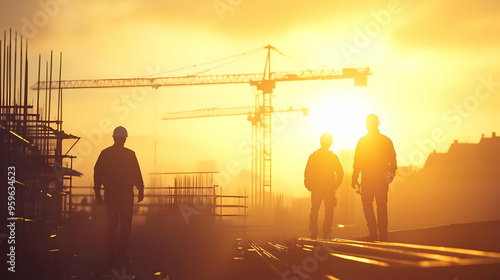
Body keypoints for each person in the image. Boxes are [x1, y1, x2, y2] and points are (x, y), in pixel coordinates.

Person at [94, 126, 145, 264]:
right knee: (125, 225)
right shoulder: (130, 155)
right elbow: (137, 173)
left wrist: (97, 193)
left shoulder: (105, 154)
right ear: (124, 139)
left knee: (112, 224)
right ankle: (120, 256)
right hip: (125, 196)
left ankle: (111, 257)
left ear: (114, 138)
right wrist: (140, 190)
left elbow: (97, 172)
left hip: (111, 195)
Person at [351, 114, 396, 242]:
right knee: (380, 206)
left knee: (368, 205)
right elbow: (392, 162)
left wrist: (355, 178)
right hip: (378, 178)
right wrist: (389, 177)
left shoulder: (363, 141)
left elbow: (358, 161)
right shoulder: (385, 141)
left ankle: (374, 234)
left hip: (370, 178)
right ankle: (381, 235)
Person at [304, 133, 344, 239]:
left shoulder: (314, 157)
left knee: (314, 210)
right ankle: (326, 234)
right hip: (328, 189)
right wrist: (336, 185)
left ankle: (313, 234)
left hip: (317, 188)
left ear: (321, 142)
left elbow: (307, 173)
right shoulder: (332, 158)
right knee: (328, 211)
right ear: (330, 144)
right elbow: (340, 173)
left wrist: (309, 184)